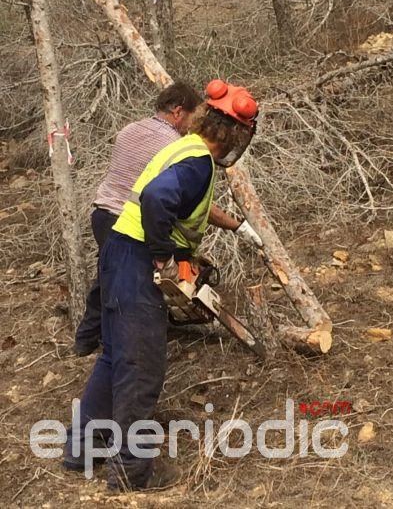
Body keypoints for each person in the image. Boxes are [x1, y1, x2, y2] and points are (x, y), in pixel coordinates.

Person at [64, 80, 261, 491]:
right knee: (141, 365)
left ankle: (83, 447)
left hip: (119, 249)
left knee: (115, 356)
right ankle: (132, 471)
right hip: (137, 258)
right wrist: (163, 256)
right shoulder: (198, 161)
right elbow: (157, 198)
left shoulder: (184, 147)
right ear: (234, 134)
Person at [74, 81, 262, 356]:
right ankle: (131, 345)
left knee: (108, 280)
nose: (193, 125)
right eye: (191, 116)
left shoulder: (130, 130)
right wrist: (237, 226)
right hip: (134, 222)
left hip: (103, 214)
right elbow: (173, 198)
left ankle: (88, 340)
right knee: (139, 291)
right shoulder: (179, 146)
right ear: (178, 111)